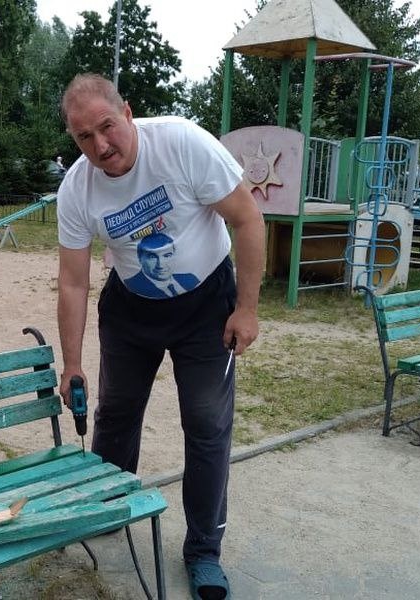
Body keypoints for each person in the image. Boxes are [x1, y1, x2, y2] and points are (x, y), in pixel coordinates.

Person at [55, 73, 264, 600]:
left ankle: (204, 551)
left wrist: (246, 308)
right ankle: (109, 504)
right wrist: (72, 363)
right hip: (131, 308)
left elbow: (247, 219)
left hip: (207, 305)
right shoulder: (76, 189)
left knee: (207, 423)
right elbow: (74, 281)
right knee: (116, 413)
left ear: (127, 112)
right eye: (84, 137)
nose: (101, 146)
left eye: (107, 126)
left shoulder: (181, 143)